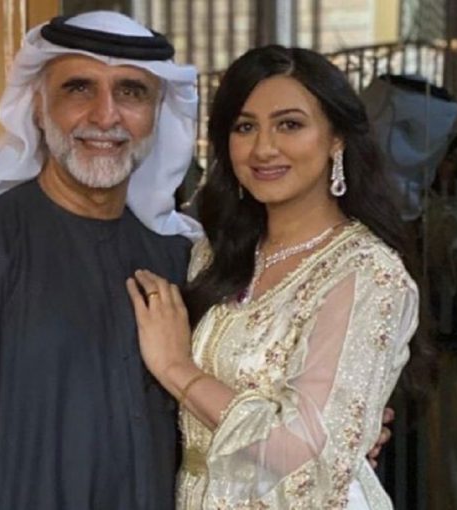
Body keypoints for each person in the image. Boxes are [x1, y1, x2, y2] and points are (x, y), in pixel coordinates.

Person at [0, 11, 202, 510]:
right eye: (79, 88)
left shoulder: (177, 257)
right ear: (38, 107)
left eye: (131, 92)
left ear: (156, 112)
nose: (105, 116)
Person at [126, 45, 426, 509]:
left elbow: (304, 450)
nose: (264, 148)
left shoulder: (366, 272)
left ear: (336, 138)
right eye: (245, 127)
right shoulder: (212, 252)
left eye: (290, 124)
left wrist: (176, 368)